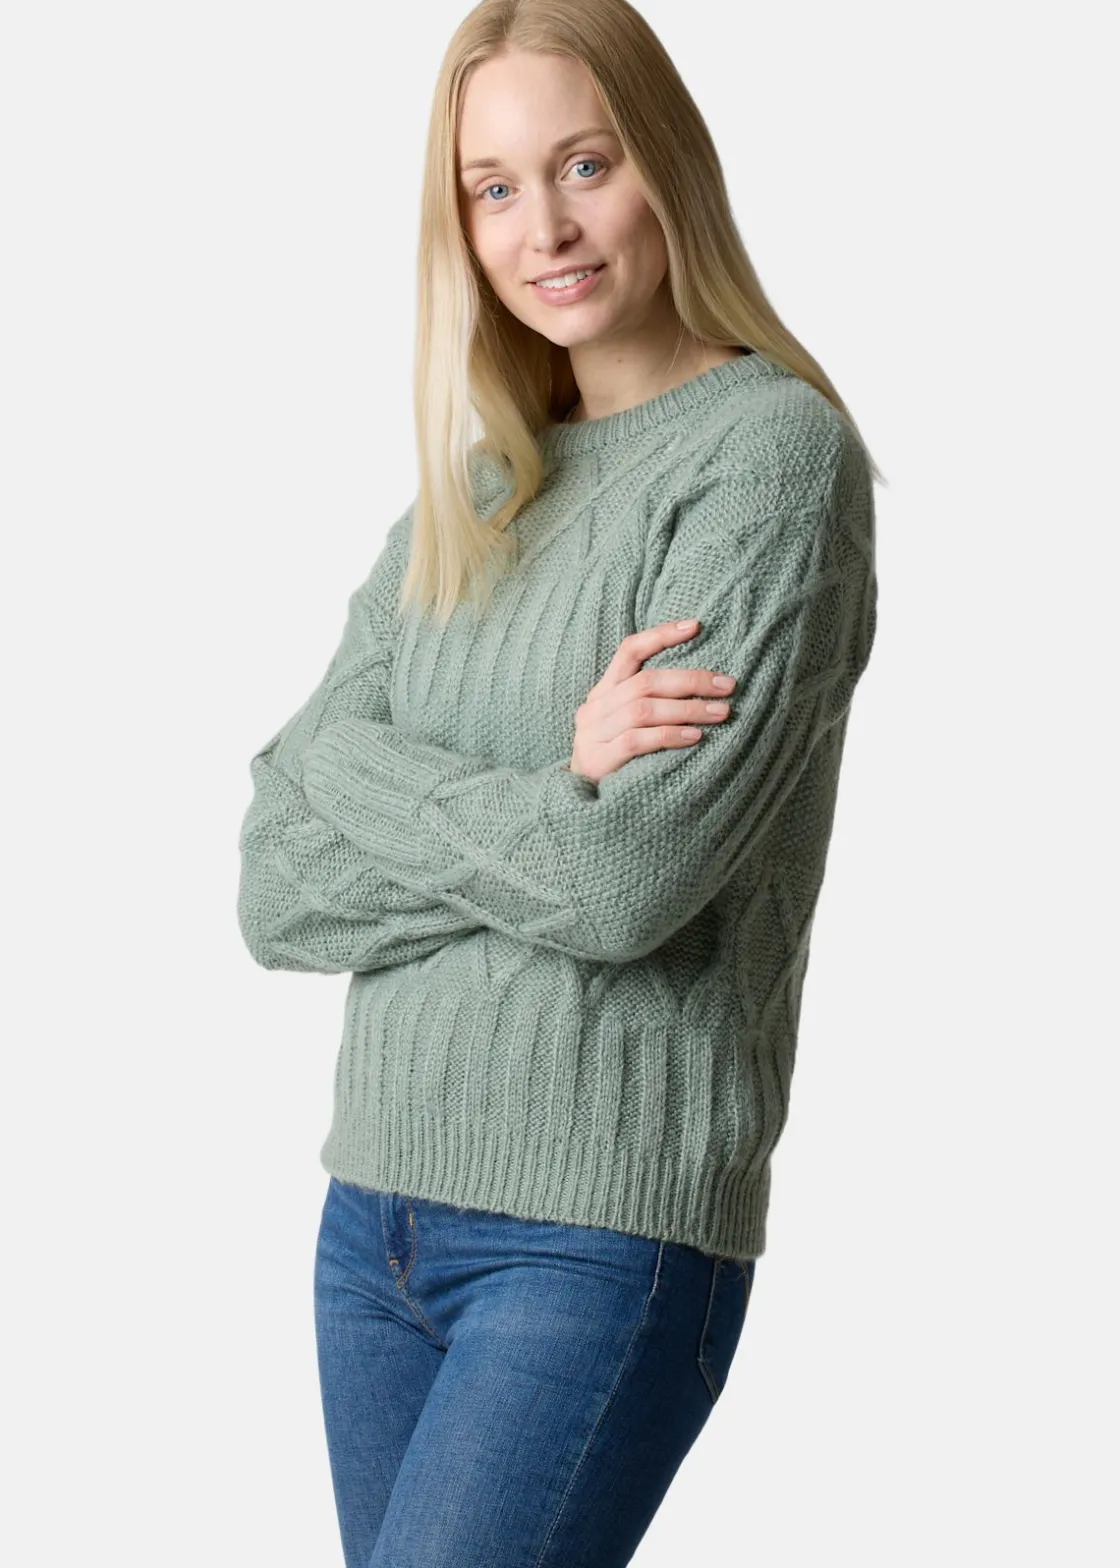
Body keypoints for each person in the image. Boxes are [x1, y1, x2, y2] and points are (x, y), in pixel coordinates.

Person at [235, 1, 880, 1562]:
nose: (547, 227)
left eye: (586, 164)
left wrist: (366, 772)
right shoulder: (473, 493)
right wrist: (555, 770)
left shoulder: (769, 459)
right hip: (371, 1217)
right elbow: (273, 883)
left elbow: (620, 885)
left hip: (596, 1233)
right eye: (495, 186)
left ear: (667, 164)